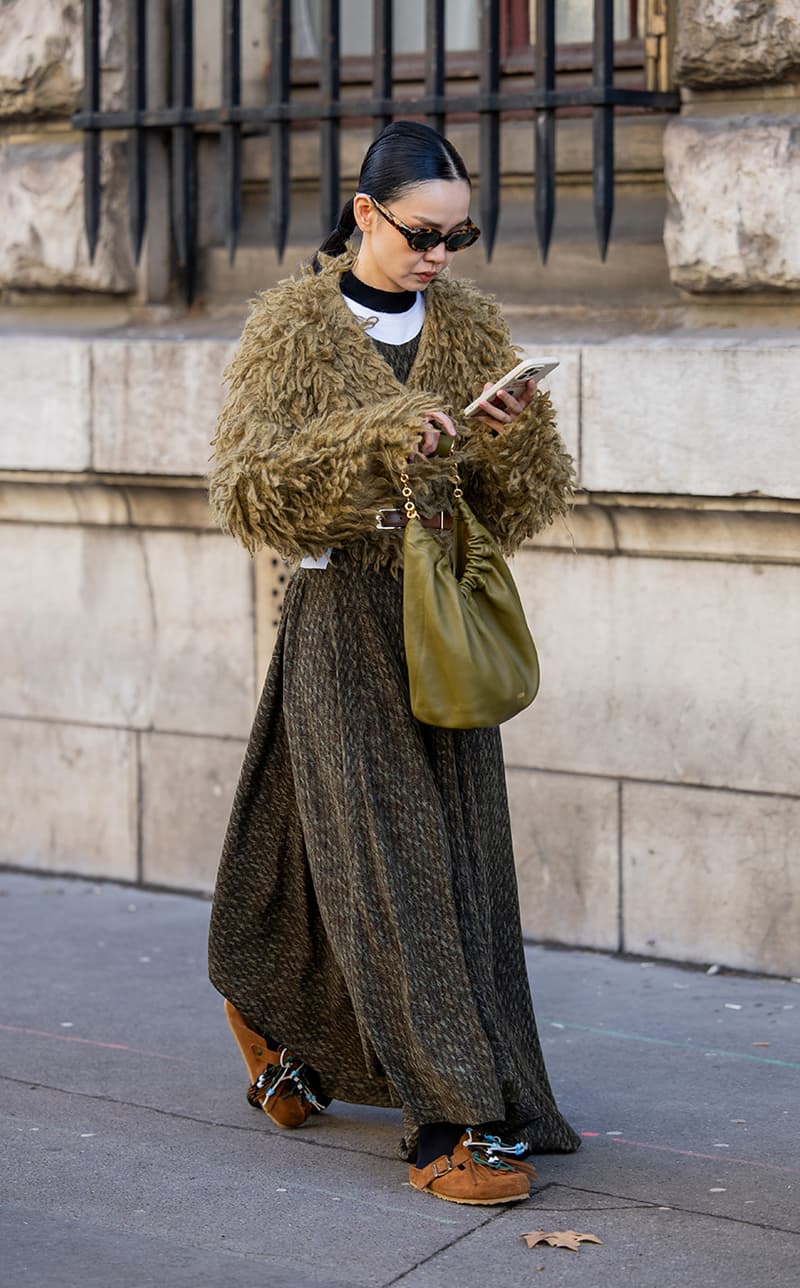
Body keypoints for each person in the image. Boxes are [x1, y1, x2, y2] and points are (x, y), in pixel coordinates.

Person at [207, 119, 581, 1206]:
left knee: (447, 857)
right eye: (424, 235)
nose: (440, 259)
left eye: (460, 237)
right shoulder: (292, 327)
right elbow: (247, 489)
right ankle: (451, 1118)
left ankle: (273, 1008)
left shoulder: (464, 323)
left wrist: (505, 435)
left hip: (439, 616)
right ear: (365, 215)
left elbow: (520, 505)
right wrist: (376, 436)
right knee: (391, 860)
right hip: (341, 619)